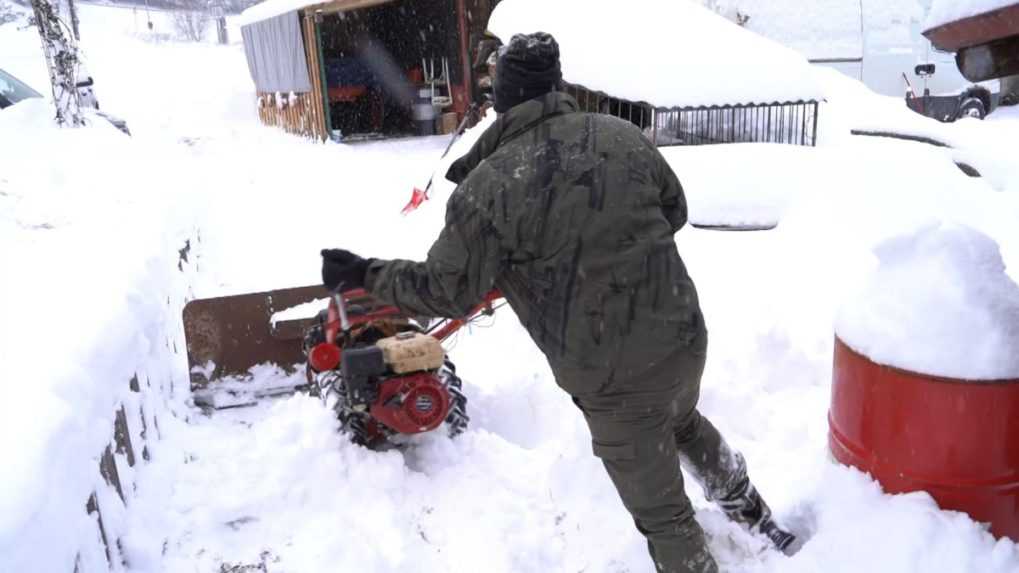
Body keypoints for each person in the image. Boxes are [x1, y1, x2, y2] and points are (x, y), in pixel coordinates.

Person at [321, 32, 796, 573]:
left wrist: (363, 272)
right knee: (684, 423)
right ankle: (760, 522)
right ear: (555, 85)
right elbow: (673, 210)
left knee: (663, 514)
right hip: (683, 336)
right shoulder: (622, 136)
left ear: (502, 99)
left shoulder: (490, 187)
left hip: (613, 372)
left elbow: (444, 291)